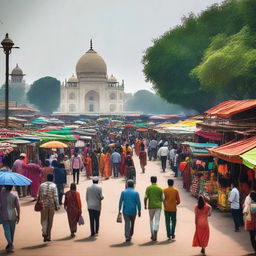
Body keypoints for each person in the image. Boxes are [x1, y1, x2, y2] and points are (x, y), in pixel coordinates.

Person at [39, 173, 59, 242]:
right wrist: (57, 205)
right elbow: (55, 196)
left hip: (43, 205)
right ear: (52, 179)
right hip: (51, 205)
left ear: (47, 178)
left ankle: (44, 232)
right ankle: (48, 236)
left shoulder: (42, 185)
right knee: (50, 221)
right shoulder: (54, 186)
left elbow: (39, 195)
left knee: (44, 219)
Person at [0, 185, 20, 253]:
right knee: (12, 230)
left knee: (6, 230)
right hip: (13, 214)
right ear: (12, 187)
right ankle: (10, 244)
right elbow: (17, 206)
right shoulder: (15, 193)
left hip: (4, 214)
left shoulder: (1, 193)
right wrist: (19, 215)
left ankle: (10, 244)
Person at [144, 176, 163, 241]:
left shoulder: (148, 188)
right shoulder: (160, 189)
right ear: (156, 181)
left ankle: (152, 234)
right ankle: (155, 231)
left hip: (151, 206)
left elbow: (145, 197)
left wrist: (145, 205)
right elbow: (163, 198)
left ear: (151, 181)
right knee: (157, 220)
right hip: (158, 207)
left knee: (151, 220)